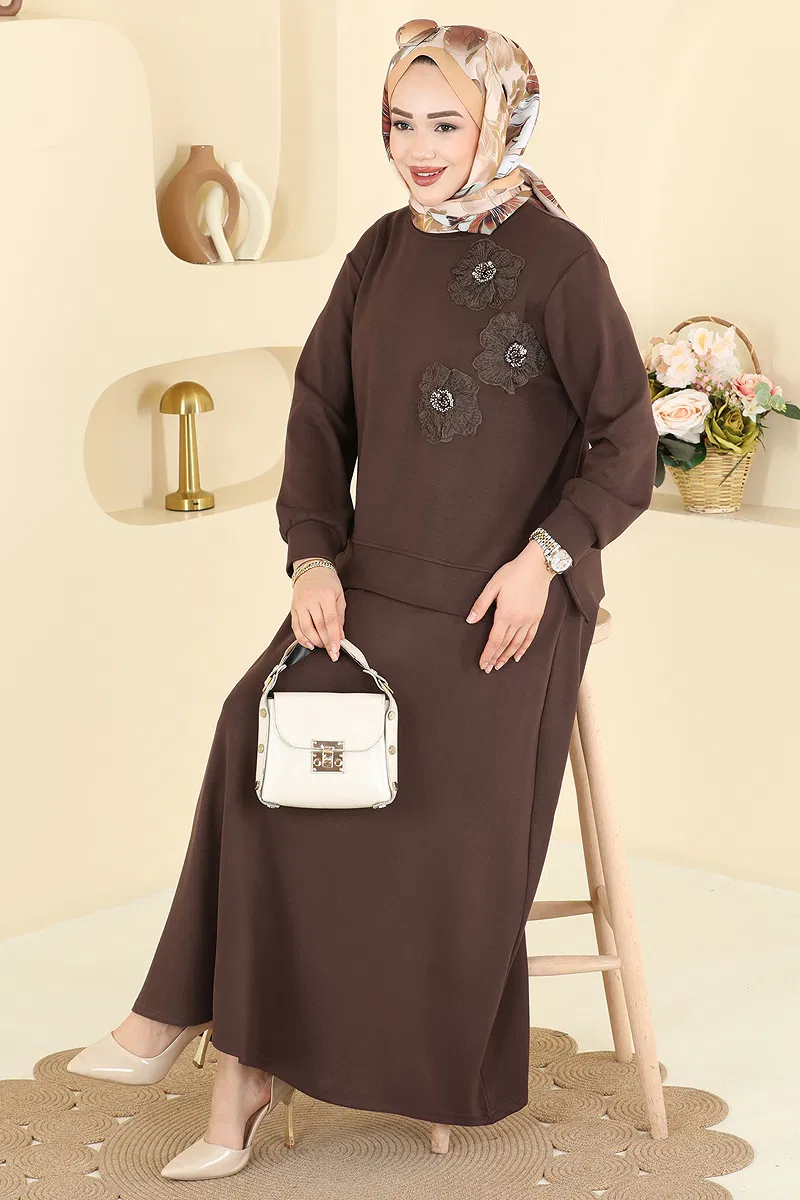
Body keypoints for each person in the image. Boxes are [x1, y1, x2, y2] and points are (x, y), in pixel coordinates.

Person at [65, 19, 658, 1181]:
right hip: (375, 581)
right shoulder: (381, 252)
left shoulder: (559, 260)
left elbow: (625, 441)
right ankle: (217, 1051)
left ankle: (234, 1074)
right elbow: (317, 414)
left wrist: (545, 559)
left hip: (501, 604)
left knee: (393, 782)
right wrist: (310, 558)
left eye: (444, 123)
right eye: (399, 123)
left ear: (496, 122)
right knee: (258, 730)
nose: (418, 149)